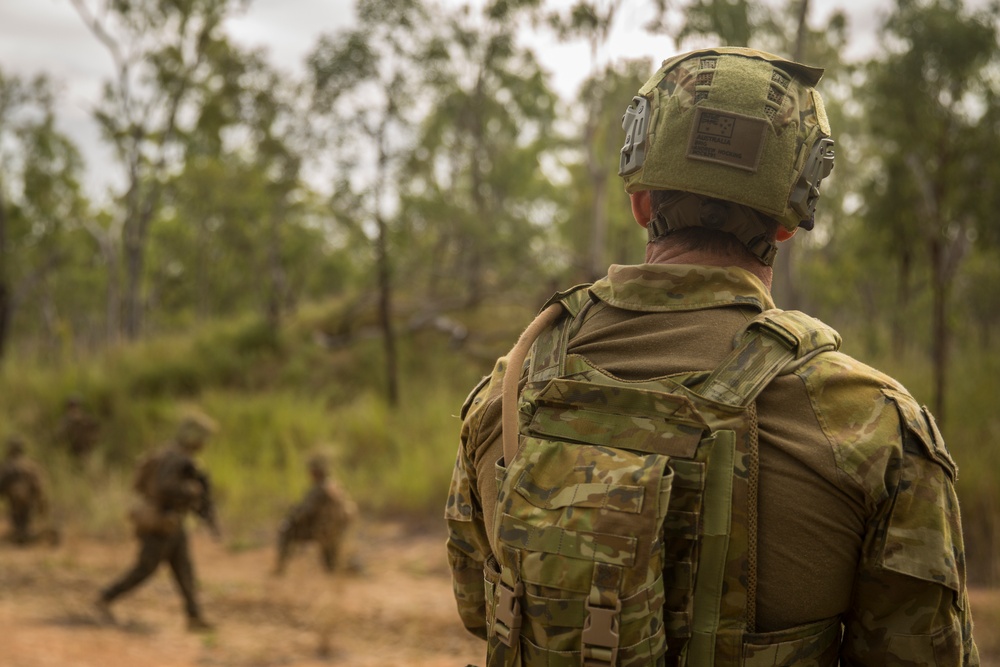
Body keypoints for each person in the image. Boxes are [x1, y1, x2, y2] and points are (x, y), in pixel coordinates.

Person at [445, 47, 979, 665]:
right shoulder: (872, 428)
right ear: (787, 223)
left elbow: (480, 608)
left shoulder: (508, 390)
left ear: (640, 200)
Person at [97, 411, 219, 631]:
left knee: (184, 570)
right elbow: (163, 487)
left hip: (171, 523)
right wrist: (191, 491)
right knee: (144, 569)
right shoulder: (177, 459)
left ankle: (194, 616)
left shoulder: (170, 454)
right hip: (160, 523)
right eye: (202, 437)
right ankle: (105, 598)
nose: (204, 443)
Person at [273, 451, 356, 576]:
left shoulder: (319, 489)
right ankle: (356, 570)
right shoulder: (335, 486)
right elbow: (350, 510)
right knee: (332, 566)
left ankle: (280, 569)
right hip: (336, 531)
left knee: (286, 531)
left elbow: (305, 512)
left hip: (322, 531)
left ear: (316, 472)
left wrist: (292, 517)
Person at [0, 436, 59, 546]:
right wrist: (42, 505)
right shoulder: (32, 465)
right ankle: (43, 534)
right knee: (23, 527)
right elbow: (41, 486)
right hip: (32, 502)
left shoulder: (8, 466)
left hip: (16, 503)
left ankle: (38, 536)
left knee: (20, 533)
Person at [55, 395, 100, 460]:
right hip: (70, 451)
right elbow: (59, 435)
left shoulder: (86, 419)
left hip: (85, 450)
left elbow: (95, 431)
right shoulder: (65, 421)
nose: (74, 409)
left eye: (76, 406)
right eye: (72, 406)